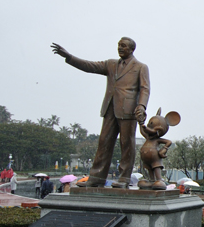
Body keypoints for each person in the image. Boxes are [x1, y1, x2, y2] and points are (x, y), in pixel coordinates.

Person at [52, 38, 150, 188]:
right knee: (104, 142)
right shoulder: (111, 64)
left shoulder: (141, 67)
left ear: (131, 49)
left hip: (129, 109)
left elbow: (145, 88)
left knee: (127, 144)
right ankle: (97, 177)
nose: (119, 48)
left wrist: (142, 106)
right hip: (110, 108)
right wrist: (69, 57)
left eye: (123, 46)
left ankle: (124, 178)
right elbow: (89, 66)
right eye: (118, 45)